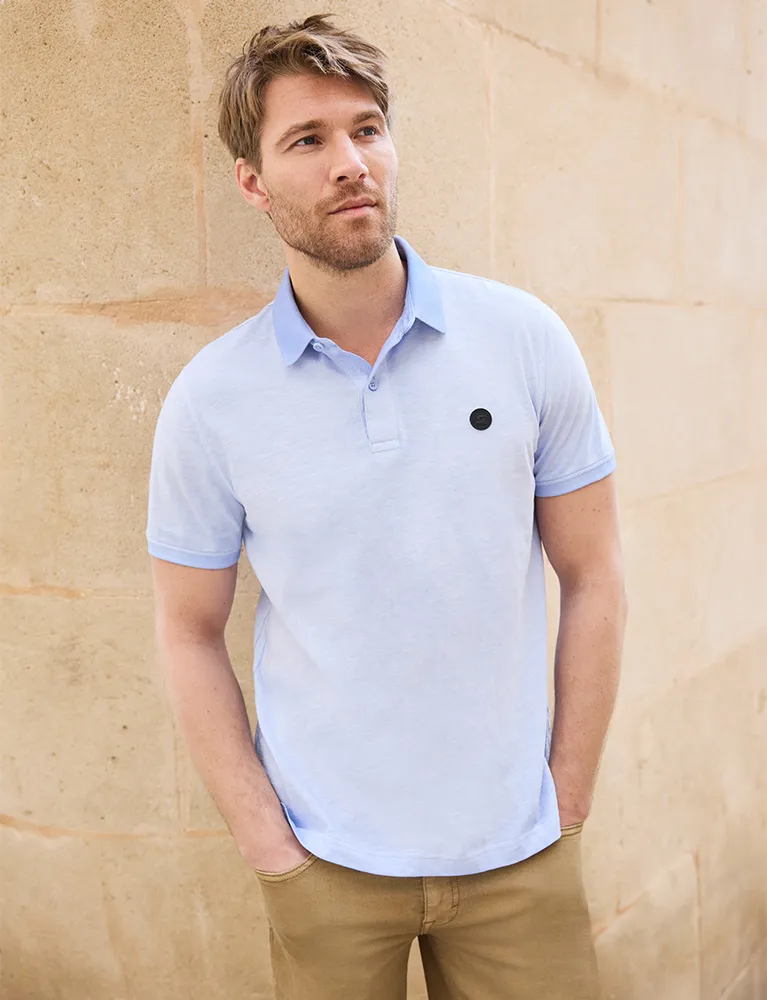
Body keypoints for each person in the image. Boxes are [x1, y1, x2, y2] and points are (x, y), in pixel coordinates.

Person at [146, 12, 628, 999]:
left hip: (519, 852)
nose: (349, 163)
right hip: (323, 864)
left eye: (366, 129)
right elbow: (186, 631)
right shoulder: (210, 400)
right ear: (252, 182)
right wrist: (269, 845)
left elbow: (594, 574)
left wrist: (567, 797)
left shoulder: (523, 338)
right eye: (306, 140)